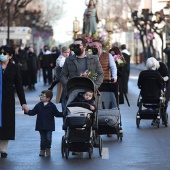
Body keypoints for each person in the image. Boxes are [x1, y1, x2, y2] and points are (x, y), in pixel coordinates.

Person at [60, 38, 104, 116]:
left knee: (91, 112)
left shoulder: (93, 59)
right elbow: (63, 75)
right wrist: (68, 85)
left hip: (89, 90)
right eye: (74, 45)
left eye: (78, 45)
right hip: (73, 90)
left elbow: (100, 74)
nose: (75, 47)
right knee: (69, 111)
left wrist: (95, 86)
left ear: (84, 47)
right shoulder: (69, 60)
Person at [0, 45, 28, 158]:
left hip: (7, 99)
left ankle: (3, 149)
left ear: (10, 56)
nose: (2, 55)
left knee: (6, 124)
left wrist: (23, 103)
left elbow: (19, 86)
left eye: (5, 53)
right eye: (1, 52)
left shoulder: (14, 68)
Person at [91, 40, 117, 137]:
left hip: (106, 82)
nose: (93, 48)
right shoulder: (90, 57)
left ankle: (109, 126)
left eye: (95, 46)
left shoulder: (108, 56)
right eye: (92, 46)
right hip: (94, 84)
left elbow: (113, 67)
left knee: (107, 104)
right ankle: (95, 126)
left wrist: (114, 77)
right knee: (95, 104)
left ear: (100, 47)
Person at [24, 90, 62, 157]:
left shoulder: (52, 106)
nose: (41, 97)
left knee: (48, 138)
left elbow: (57, 114)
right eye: (40, 96)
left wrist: (64, 113)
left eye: (43, 96)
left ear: (48, 98)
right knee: (43, 138)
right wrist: (27, 111)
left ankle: (48, 148)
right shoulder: (38, 105)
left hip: (49, 126)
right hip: (41, 125)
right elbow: (33, 112)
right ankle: (42, 150)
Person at [146, 57, 169, 125]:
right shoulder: (149, 68)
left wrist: (162, 79)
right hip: (154, 86)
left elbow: (167, 76)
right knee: (154, 100)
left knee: (164, 101)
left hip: (164, 84)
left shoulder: (162, 66)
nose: (152, 67)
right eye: (151, 66)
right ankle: (154, 116)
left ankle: (164, 116)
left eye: (153, 66)